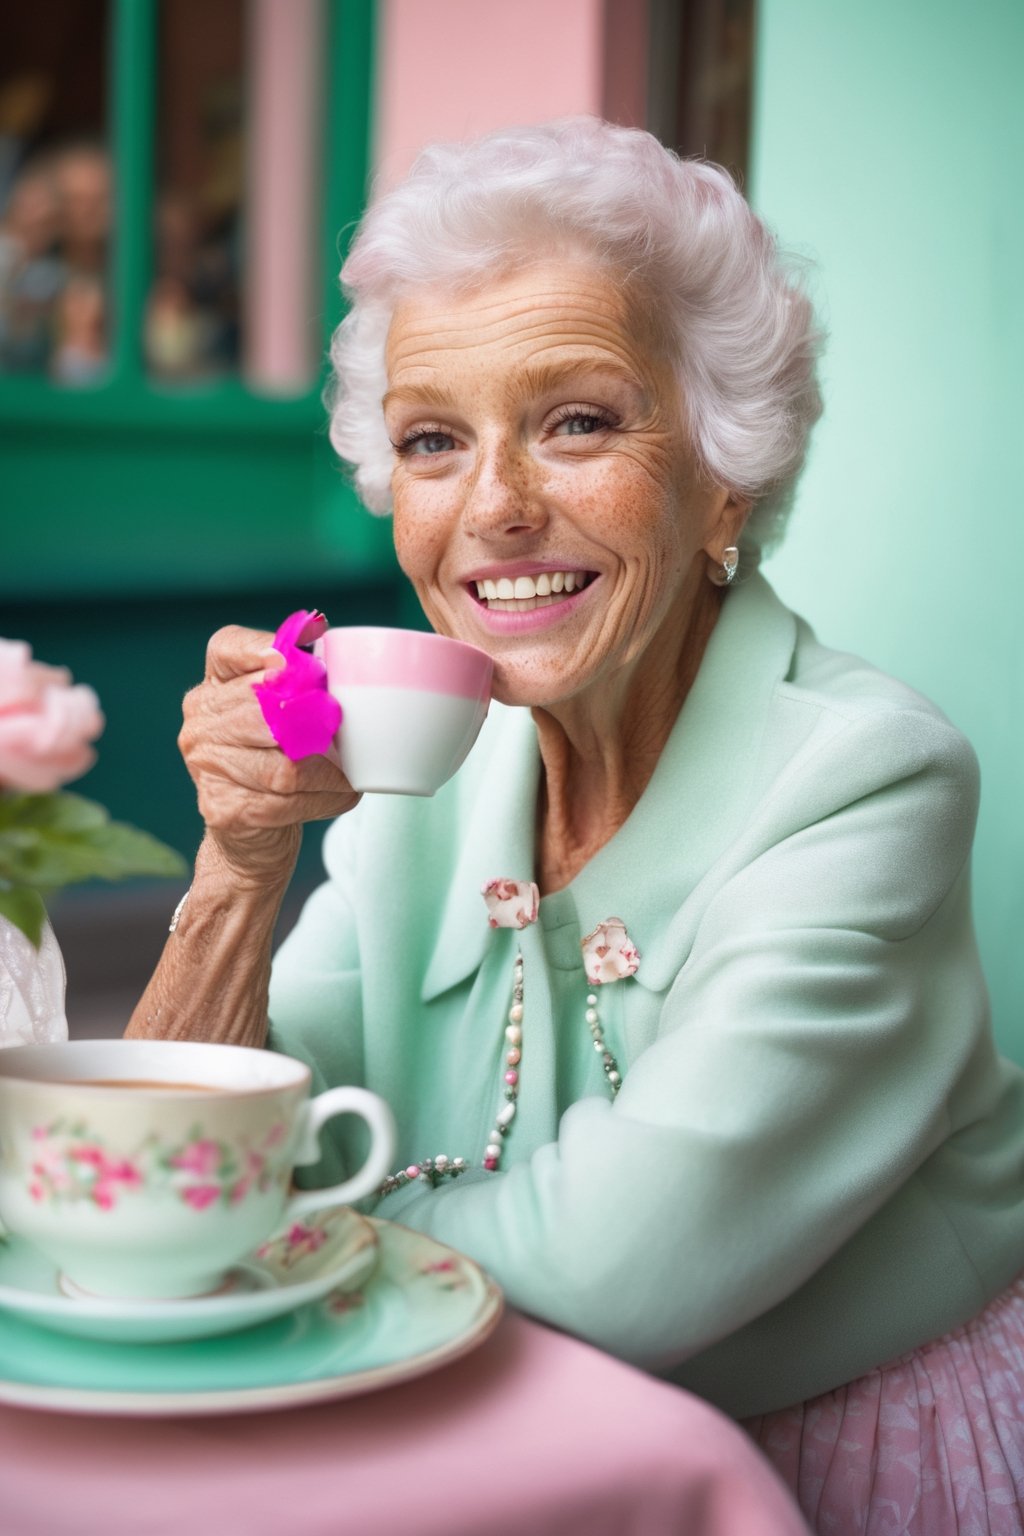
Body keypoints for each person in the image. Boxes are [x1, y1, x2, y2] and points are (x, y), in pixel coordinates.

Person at [128, 118, 1024, 1534]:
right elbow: (161, 1177)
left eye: (578, 420)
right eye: (435, 441)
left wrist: (257, 1240)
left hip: (816, 1460)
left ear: (728, 470)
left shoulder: (869, 780)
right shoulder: (428, 777)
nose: (496, 508)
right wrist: (243, 863)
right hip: (470, 1427)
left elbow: (620, 1279)